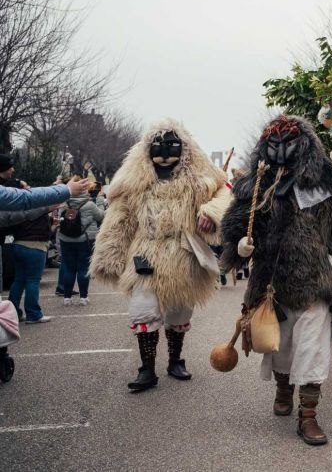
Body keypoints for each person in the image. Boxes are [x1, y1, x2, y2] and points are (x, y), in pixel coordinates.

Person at [221, 115, 332, 446]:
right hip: (271, 283)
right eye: (274, 145)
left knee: (312, 348)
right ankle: (283, 387)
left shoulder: (328, 185)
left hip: (315, 281)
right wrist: (239, 242)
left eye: (289, 144)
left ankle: (307, 415)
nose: (281, 152)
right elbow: (237, 222)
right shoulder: (258, 184)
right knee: (280, 345)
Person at [91, 120, 232, 392]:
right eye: (159, 148)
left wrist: (209, 214)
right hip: (145, 253)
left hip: (183, 253)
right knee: (143, 309)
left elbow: (223, 193)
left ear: (184, 151)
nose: (165, 155)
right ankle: (147, 368)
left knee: (180, 311)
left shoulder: (199, 180)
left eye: (172, 148)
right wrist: (109, 256)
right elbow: (119, 219)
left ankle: (175, 360)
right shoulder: (135, 183)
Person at [6, 178, 61, 324]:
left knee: (19, 280)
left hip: (18, 244)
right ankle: (33, 314)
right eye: (26, 186)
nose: (30, 188)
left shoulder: (13, 207)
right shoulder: (35, 206)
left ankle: (13, 313)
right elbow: (43, 230)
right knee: (33, 281)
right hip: (34, 246)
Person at [59, 185, 105, 305]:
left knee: (69, 269)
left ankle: (67, 298)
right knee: (83, 268)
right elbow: (101, 216)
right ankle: (83, 297)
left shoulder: (64, 203)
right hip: (85, 240)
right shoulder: (89, 205)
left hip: (66, 240)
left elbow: (60, 219)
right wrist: (100, 200)